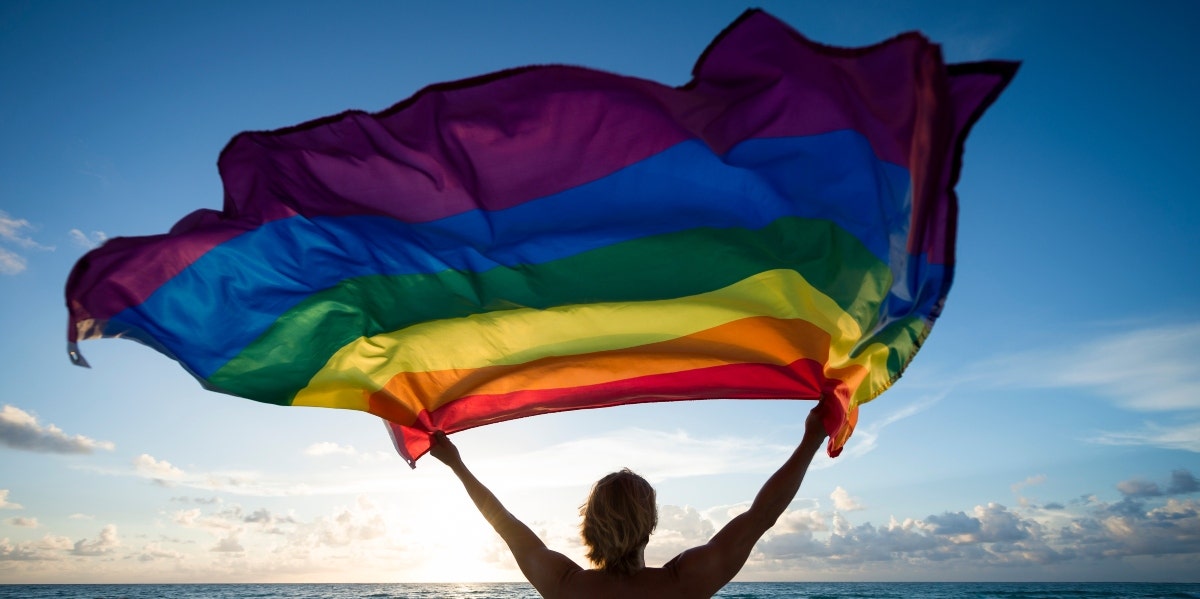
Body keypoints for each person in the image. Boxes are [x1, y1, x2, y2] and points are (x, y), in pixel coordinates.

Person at [429, 404, 829, 599]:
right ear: (651, 523)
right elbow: (761, 516)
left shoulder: (565, 587)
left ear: (590, 524)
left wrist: (457, 465)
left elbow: (505, 524)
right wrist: (811, 438)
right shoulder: (684, 583)